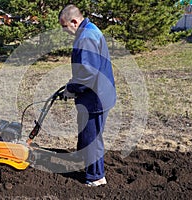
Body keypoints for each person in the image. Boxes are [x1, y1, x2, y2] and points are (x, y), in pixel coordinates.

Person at [59, 5, 116, 187]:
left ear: (74, 22)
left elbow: (88, 74)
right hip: (94, 94)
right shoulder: (89, 31)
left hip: (95, 97)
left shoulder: (86, 37)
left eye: (64, 27)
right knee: (86, 134)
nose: (64, 31)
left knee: (92, 138)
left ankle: (96, 177)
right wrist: (72, 83)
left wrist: (72, 88)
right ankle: (86, 164)